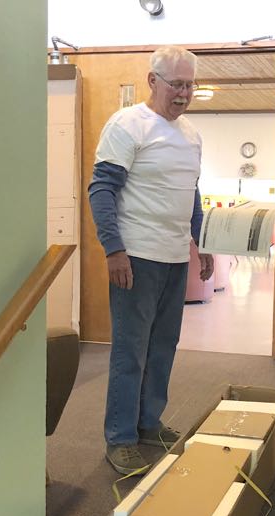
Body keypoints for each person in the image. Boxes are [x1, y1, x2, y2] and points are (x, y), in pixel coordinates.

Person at [88, 46, 214, 475]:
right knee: (130, 352)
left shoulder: (192, 135)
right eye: (176, 84)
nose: (183, 93)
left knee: (163, 347)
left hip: (175, 257)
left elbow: (191, 194)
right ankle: (120, 437)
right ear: (152, 81)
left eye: (190, 85)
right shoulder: (127, 125)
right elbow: (101, 189)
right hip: (136, 258)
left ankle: (147, 422)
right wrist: (114, 250)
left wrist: (204, 241)